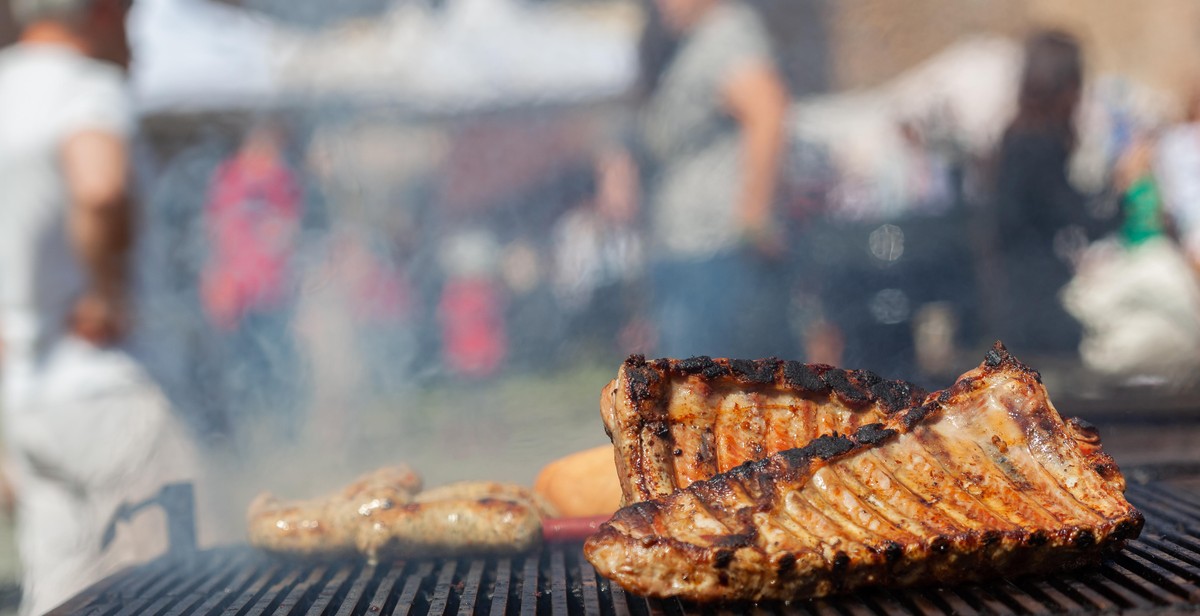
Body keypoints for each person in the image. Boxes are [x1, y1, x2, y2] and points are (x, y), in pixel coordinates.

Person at [0, 0, 200, 612]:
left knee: (59, 595)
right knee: (171, 590)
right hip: (111, 391)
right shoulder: (87, 86)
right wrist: (106, 290)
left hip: (27, 400)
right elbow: (100, 185)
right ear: (102, 11)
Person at [637, 0, 790, 358]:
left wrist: (754, 217)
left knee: (710, 392)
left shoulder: (726, 33)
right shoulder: (698, 41)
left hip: (719, 250)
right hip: (694, 250)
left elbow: (767, 112)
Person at [987, 30, 1110, 355]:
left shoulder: (1018, 136)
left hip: (1018, 293)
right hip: (1033, 301)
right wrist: (1122, 187)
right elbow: (1077, 217)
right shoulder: (1037, 142)